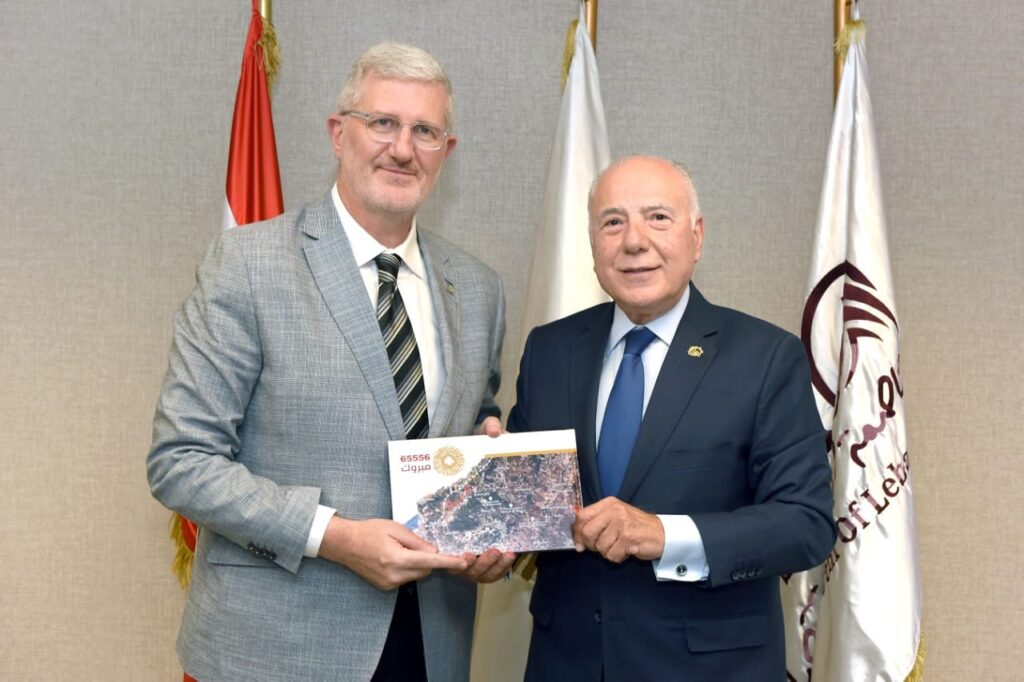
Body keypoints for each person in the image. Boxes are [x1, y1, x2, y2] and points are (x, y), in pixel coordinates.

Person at [147, 42, 514, 682]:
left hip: (431, 644)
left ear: (446, 151)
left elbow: (473, 427)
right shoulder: (249, 265)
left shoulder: (479, 288)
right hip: (276, 648)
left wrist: (489, 513)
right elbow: (181, 460)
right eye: (383, 123)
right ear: (338, 133)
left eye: (425, 131)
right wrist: (335, 537)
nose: (402, 148)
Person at [509, 155, 835, 681]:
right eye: (612, 222)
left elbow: (806, 524)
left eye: (658, 217)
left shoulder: (764, 358)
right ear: (592, 242)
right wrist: (491, 493)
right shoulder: (550, 350)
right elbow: (528, 509)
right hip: (566, 663)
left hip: (710, 668)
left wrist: (663, 534)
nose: (634, 241)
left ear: (696, 236)